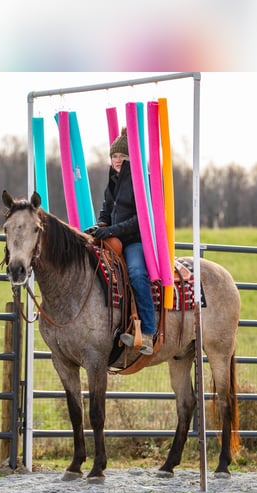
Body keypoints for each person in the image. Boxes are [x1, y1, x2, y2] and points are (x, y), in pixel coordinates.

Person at [87, 127, 156, 355]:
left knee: (136, 273)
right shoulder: (113, 180)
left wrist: (112, 231)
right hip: (115, 238)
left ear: (131, 158)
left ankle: (147, 331)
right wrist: (99, 227)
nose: (117, 160)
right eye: (114, 156)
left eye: (122, 156)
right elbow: (106, 211)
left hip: (135, 241)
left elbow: (141, 219)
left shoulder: (141, 180)